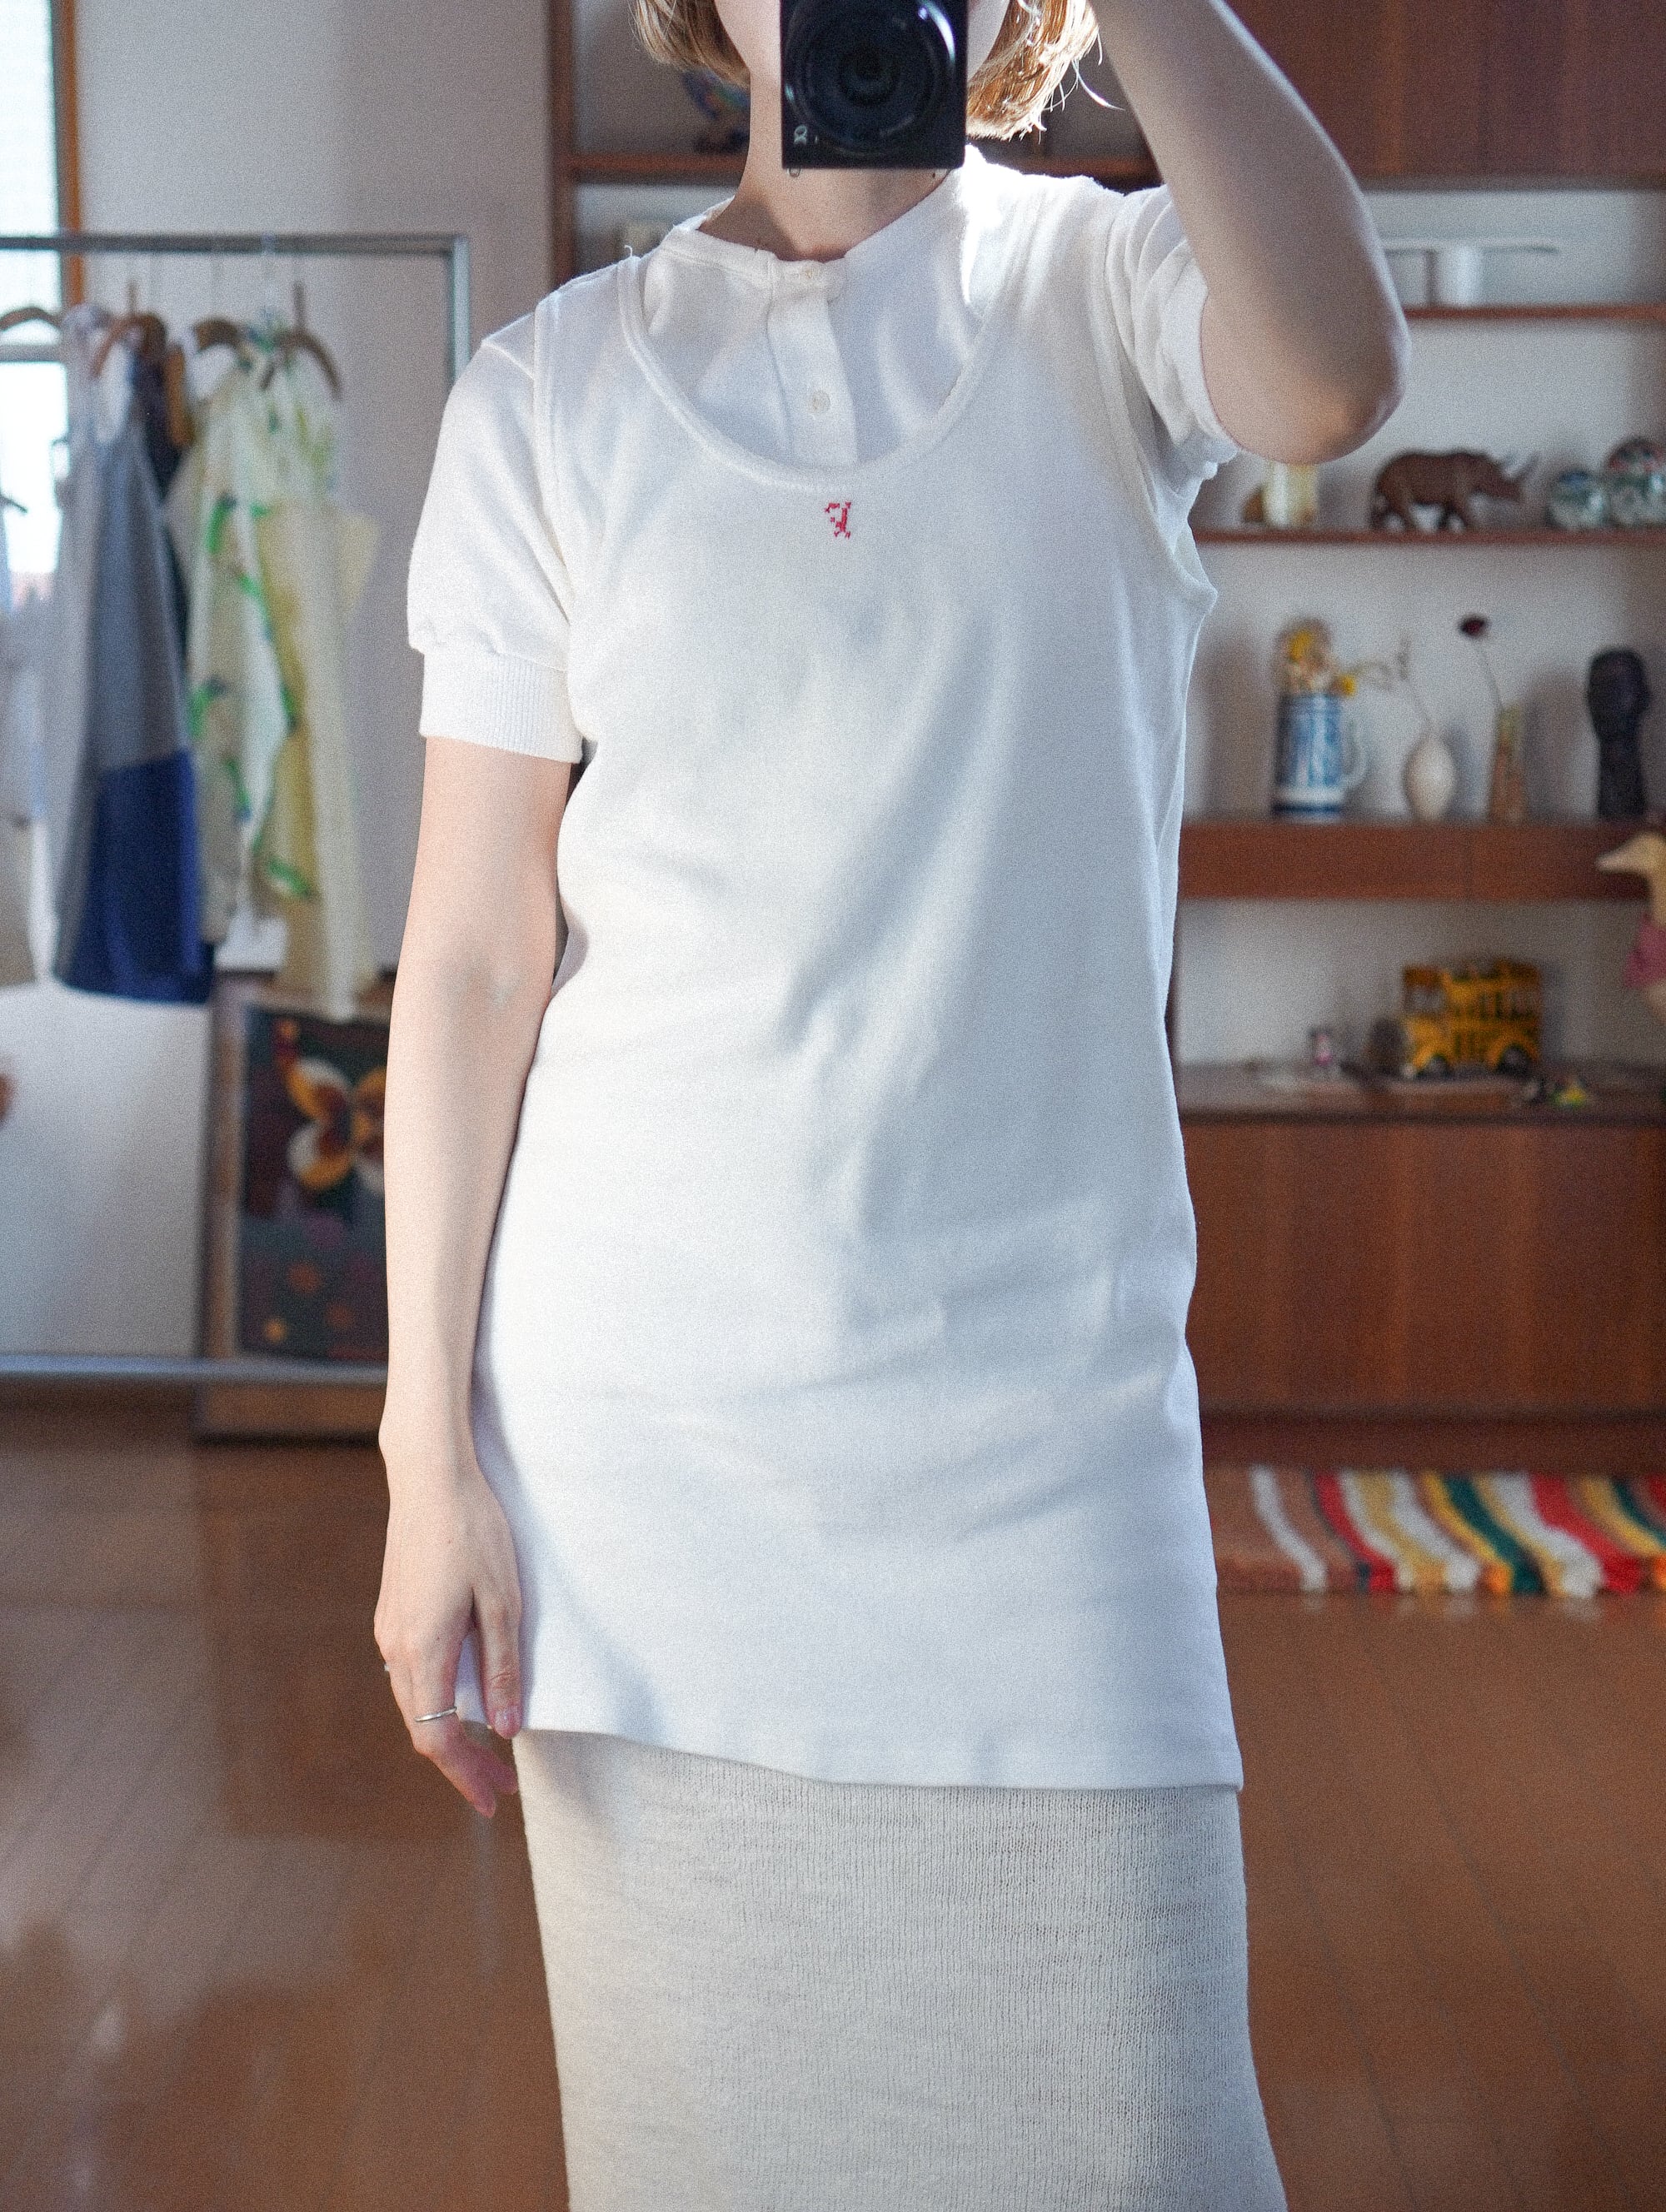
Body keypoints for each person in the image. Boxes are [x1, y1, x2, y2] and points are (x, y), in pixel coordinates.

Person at [377, 0, 1409, 2203]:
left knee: (1140, 2152)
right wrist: (419, 1459)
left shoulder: (1109, 289)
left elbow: (1332, 378)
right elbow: (467, 963)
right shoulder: (549, 394)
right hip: (650, 1475)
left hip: (1046, 1458)